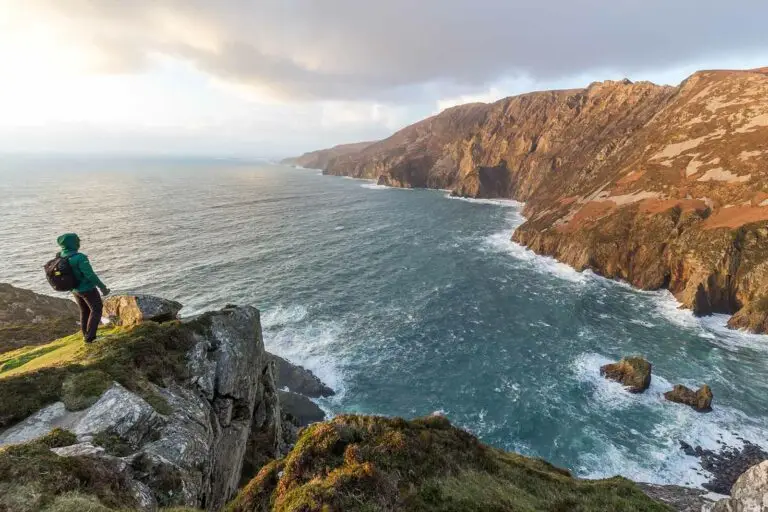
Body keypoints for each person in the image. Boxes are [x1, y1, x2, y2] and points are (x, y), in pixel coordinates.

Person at [56, 233, 110, 343]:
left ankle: (85, 335)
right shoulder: (79, 257)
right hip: (87, 289)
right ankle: (90, 338)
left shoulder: (60, 256)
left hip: (74, 290)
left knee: (84, 311)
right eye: (77, 241)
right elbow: (90, 275)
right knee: (96, 309)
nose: (79, 242)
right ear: (73, 243)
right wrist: (102, 287)